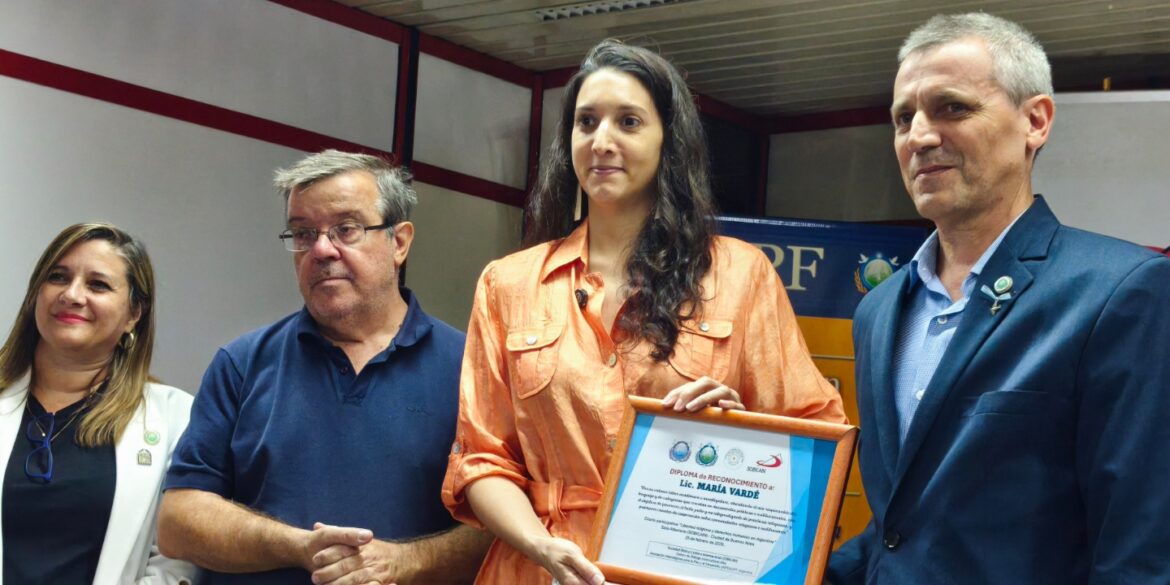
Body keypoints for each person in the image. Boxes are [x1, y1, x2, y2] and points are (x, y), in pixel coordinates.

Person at [442, 40, 847, 585]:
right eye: (586, 122)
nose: (602, 141)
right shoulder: (508, 283)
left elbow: (816, 441)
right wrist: (541, 546)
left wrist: (744, 430)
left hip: (684, 566)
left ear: (667, 142)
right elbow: (481, 459)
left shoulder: (739, 274)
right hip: (537, 570)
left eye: (628, 122)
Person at [826, 13, 1170, 585]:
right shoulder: (877, 311)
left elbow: (1141, 549)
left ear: (1035, 121)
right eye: (903, 118)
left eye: (952, 107)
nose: (919, 137)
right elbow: (897, 531)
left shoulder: (1122, 291)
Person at [158, 150, 492, 584]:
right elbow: (178, 522)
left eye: (346, 229)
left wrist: (407, 562)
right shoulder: (242, 364)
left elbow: (507, 529)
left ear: (399, 242)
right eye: (302, 233)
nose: (320, 249)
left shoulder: (472, 370)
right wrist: (299, 547)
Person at [0, 223, 195, 584]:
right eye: (58, 277)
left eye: (98, 285)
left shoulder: (175, 417)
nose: (72, 294)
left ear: (134, 313)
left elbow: (176, 561)